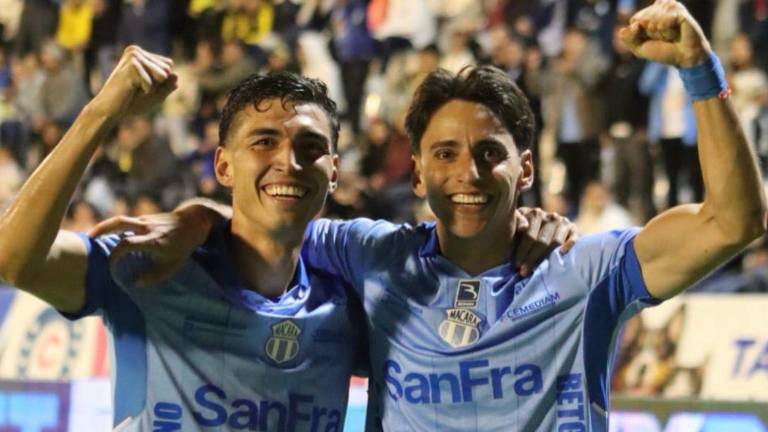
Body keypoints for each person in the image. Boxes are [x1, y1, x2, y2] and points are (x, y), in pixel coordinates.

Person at [102, 1, 766, 430]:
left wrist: (699, 70)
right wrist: (197, 216)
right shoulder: (371, 254)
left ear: (525, 170)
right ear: (417, 174)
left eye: (489, 154)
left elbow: (734, 223)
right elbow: (272, 214)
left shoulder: (583, 269)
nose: (468, 173)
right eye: (445, 154)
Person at [0, 46, 570, 429]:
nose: (289, 163)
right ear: (223, 165)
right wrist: (102, 112)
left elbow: (458, 257)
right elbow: (14, 258)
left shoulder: (351, 300)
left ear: (334, 172)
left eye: (310, 148)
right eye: (264, 142)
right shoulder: (157, 265)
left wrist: (519, 222)